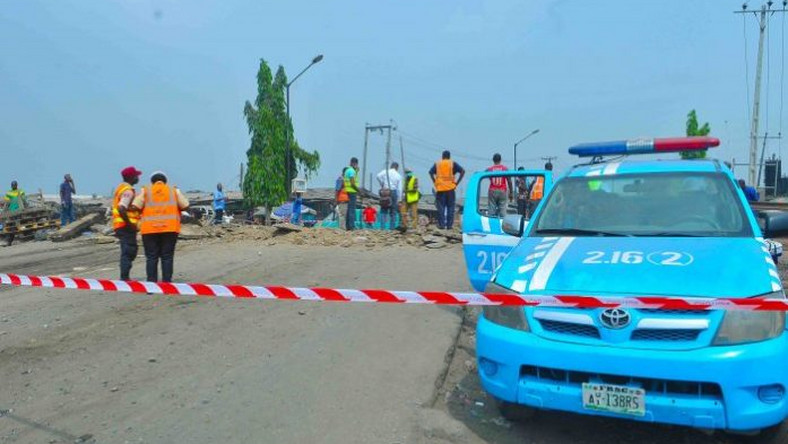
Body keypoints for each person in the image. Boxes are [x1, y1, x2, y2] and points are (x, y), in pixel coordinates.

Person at [131, 171, 189, 282]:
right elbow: (185, 205)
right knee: (167, 256)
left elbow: (135, 206)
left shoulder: (145, 190)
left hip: (149, 230)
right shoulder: (174, 191)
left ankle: (151, 284)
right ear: (165, 181)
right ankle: (167, 283)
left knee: (152, 257)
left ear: (152, 182)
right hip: (170, 229)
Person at [111, 167, 143, 279]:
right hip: (125, 226)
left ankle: (124, 276)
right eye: (136, 176)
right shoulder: (128, 190)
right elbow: (121, 208)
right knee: (129, 251)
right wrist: (129, 224)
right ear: (130, 177)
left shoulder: (121, 188)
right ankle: (124, 278)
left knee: (128, 250)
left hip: (120, 226)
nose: (138, 178)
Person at [429, 150, 465, 229]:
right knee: (450, 208)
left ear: (442, 156)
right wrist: (456, 183)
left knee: (441, 208)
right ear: (449, 157)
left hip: (440, 189)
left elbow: (430, 172)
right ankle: (449, 226)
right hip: (450, 189)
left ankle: (441, 225)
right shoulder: (452, 163)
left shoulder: (438, 164)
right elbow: (463, 171)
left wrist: (435, 182)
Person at [376, 162, 402, 230]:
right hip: (393, 191)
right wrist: (399, 199)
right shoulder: (398, 175)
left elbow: (378, 176)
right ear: (397, 168)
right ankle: (392, 228)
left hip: (385, 191)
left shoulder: (385, 171)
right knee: (393, 211)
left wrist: (382, 184)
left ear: (391, 166)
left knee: (383, 210)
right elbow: (399, 189)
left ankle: (382, 227)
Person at [3, 181, 27, 246]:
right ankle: (9, 241)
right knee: (11, 226)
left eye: (15, 185)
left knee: (18, 224)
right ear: (11, 186)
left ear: (17, 185)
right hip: (11, 211)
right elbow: (6, 202)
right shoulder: (9, 193)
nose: (14, 186)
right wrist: (4, 211)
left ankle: (20, 237)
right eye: (13, 185)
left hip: (19, 210)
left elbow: (24, 199)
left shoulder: (20, 191)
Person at [344, 158, 360, 230]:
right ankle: (351, 226)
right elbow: (352, 183)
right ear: (355, 163)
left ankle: (348, 225)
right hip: (352, 191)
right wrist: (358, 190)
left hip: (348, 190)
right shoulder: (351, 171)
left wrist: (356, 170)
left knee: (349, 209)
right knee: (352, 209)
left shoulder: (348, 170)